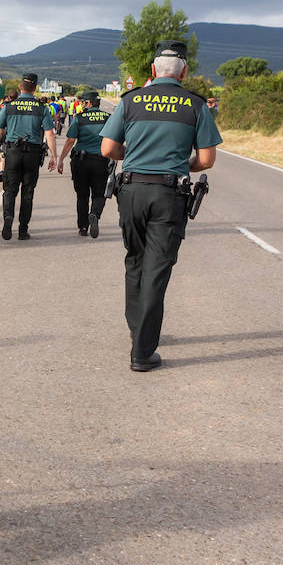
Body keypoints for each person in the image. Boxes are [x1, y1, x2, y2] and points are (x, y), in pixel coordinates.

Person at [100, 41, 222, 372]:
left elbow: (108, 148)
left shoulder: (130, 100)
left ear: (152, 71)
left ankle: (137, 330)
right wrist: (181, 165)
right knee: (157, 270)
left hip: (132, 191)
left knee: (135, 261)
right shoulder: (196, 105)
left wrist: (137, 159)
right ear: (184, 72)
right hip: (169, 195)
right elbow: (207, 159)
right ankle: (142, 352)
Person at [0, 72, 56, 241]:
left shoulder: (9, 106)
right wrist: (55, 156)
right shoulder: (42, 108)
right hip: (32, 155)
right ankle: (23, 230)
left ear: (20, 87)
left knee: (9, 190)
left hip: (12, 153)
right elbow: (49, 133)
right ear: (35, 88)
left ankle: (8, 218)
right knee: (28, 193)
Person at [56, 90, 113, 238]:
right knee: (99, 193)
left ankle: (82, 227)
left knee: (82, 196)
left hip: (81, 161)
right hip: (101, 160)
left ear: (88, 103)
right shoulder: (108, 118)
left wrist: (61, 159)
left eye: (83, 102)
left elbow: (70, 140)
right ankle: (94, 214)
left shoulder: (80, 118)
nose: (82, 104)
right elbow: (115, 139)